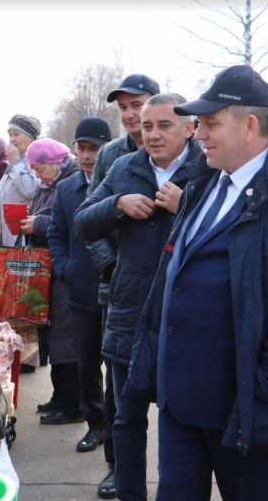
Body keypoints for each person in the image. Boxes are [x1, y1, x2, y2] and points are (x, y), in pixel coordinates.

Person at [125, 65, 268, 500]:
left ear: (250, 125)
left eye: (210, 123)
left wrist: (264, 397)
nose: (199, 133)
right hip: (180, 404)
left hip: (244, 414)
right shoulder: (204, 182)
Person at [75, 94, 201, 500]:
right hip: (130, 309)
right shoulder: (125, 167)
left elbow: (235, 235)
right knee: (127, 418)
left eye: (165, 126)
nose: (153, 134)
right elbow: (82, 223)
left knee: (181, 421)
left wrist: (187, 206)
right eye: (147, 126)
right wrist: (116, 204)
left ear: (189, 128)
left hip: (186, 316)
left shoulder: (209, 170)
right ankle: (129, 491)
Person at [82, 73, 160, 499]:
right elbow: (89, 219)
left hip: (167, 290)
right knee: (120, 390)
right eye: (124, 108)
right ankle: (116, 467)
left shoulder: (189, 154)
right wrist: (113, 269)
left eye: (138, 106)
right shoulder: (113, 155)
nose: (131, 116)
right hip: (121, 289)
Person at [47, 116, 113, 495]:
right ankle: (96, 422)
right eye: (82, 148)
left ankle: (116, 431)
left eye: (94, 148)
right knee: (87, 361)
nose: (86, 156)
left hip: (118, 291)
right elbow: (57, 232)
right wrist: (66, 267)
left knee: (117, 369)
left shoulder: (119, 182)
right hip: (81, 289)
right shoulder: (68, 188)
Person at [19, 138, 82, 424]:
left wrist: (39, 224)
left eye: (39, 167)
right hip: (50, 271)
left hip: (66, 273)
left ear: (55, 162)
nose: (36, 174)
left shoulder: (71, 183)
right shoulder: (49, 185)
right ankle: (60, 397)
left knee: (67, 340)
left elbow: (72, 222)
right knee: (56, 337)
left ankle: (73, 405)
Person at [0, 114, 40, 246]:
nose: (12, 139)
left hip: (22, 243)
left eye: (16, 134)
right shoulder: (15, 163)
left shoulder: (35, 161)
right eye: (10, 135)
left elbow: (30, 190)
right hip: (6, 240)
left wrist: (15, 162)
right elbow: (9, 197)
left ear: (30, 138)